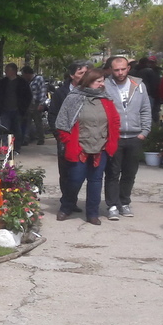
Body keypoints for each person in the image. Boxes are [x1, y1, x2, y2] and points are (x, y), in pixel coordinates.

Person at [55, 69, 120, 225]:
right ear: (89, 82)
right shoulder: (74, 98)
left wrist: (112, 141)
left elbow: (115, 121)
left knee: (96, 181)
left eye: (103, 81)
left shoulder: (106, 99)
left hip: (101, 148)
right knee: (75, 179)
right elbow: (62, 123)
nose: (102, 84)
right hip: (79, 147)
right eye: (98, 81)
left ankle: (92, 213)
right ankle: (66, 207)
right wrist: (69, 141)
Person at [102, 56, 152, 219]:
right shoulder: (105, 86)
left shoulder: (138, 85)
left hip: (134, 136)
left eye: (123, 69)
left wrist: (144, 132)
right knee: (112, 173)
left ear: (128, 68)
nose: (120, 72)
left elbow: (145, 109)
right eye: (116, 70)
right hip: (114, 137)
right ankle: (112, 205)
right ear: (111, 70)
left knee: (130, 173)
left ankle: (124, 202)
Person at [49, 62, 93, 211]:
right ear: (72, 75)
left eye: (86, 73)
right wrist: (59, 136)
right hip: (65, 138)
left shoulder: (91, 91)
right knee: (66, 172)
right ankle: (68, 202)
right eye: (81, 73)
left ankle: (70, 200)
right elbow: (53, 115)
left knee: (80, 173)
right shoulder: (61, 93)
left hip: (86, 138)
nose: (84, 76)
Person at [0, 63, 32, 151]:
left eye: (7, 70)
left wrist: (23, 108)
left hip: (17, 110)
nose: (6, 72)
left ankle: (17, 148)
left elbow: (28, 96)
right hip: (5, 110)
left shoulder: (22, 82)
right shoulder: (3, 82)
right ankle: (6, 148)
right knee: (5, 130)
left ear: (13, 71)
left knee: (17, 130)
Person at [23, 65, 47, 145]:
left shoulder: (39, 79)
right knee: (27, 121)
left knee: (38, 121)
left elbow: (43, 92)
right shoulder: (27, 81)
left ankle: (41, 138)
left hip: (36, 103)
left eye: (24, 75)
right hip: (28, 103)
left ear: (27, 74)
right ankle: (26, 139)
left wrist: (41, 104)